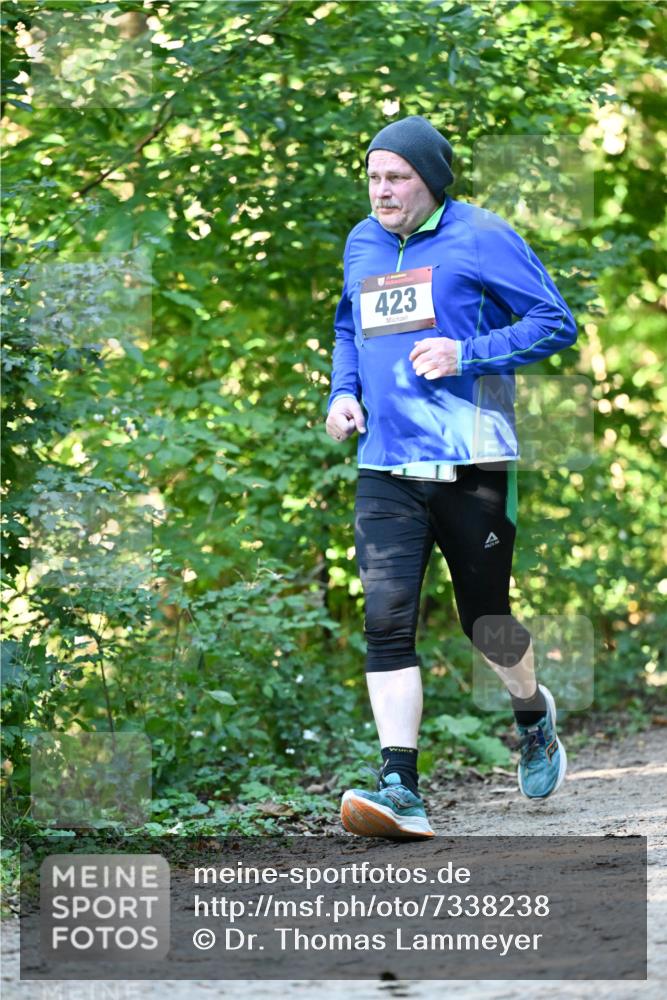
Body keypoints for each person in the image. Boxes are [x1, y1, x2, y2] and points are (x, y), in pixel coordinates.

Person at [326, 115, 577, 839]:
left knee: (484, 619)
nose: (381, 191)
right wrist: (343, 393)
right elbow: (350, 328)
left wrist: (463, 353)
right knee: (386, 621)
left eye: (396, 177)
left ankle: (531, 713)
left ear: (430, 180)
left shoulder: (480, 235)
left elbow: (552, 322)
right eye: (372, 177)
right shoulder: (362, 241)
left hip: (471, 457)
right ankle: (399, 782)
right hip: (385, 463)